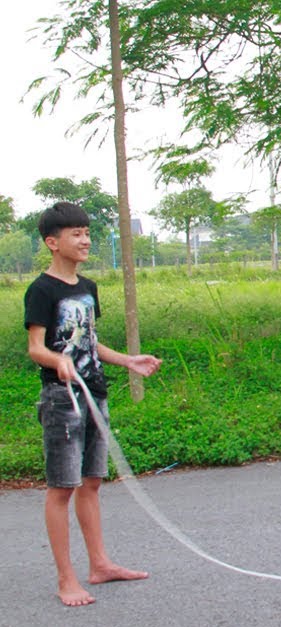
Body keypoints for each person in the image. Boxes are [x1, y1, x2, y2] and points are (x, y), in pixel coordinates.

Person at [24, 201, 162, 606]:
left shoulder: (87, 288)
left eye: (86, 233)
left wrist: (127, 361)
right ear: (52, 243)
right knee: (61, 488)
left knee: (91, 483)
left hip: (94, 392)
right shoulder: (42, 290)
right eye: (75, 234)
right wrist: (57, 360)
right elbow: (36, 347)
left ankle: (99, 565)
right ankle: (66, 579)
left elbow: (88, 340)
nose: (84, 240)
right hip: (61, 399)